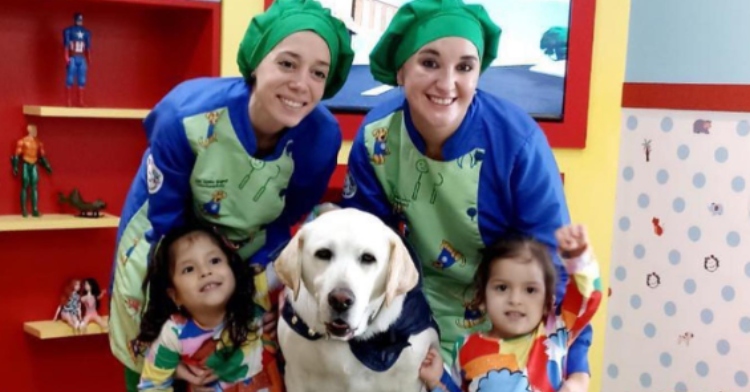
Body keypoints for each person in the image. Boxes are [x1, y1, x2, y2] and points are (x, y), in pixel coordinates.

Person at [341, 0, 593, 388]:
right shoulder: (377, 137)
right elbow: (361, 247)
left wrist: (573, 362)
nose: (447, 83)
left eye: (465, 67)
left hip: (506, 334)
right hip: (413, 321)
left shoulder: (517, 144)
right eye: (429, 63)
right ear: (401, 68)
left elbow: (551, 269)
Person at [107, 0, 354, 390]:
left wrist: (246, 297)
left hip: (245, 253)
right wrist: (173, 350)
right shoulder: (185, 116)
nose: (300, 83)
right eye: (287, 63)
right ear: (256, 61)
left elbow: (284, 224)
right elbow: (168, 224)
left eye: (318, 73)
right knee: (149, 355)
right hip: (164, 242)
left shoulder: (321, 139)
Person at [419, 224, 602, 392]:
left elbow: (588, 299)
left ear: (547, 302)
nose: (515, 299)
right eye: (502, 287)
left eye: (530, 290)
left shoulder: (554, 332)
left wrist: (578, 258)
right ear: (482, 297)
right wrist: (437, 380)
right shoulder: (466, 348)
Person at [137, 224, 282, 392]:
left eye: (215, 260)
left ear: (232, 268)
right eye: (189, 269)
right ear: (174, 294)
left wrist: (286, 308)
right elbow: (151, 386)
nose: (205, 271)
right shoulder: (173, 334)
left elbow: (300, 263)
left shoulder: (256, 293)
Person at [11, 124, 53, 217]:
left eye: (36, 130)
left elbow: (42, 156)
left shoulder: (38, 142)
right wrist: (15, 166)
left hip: (34, 164)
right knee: (25, 185)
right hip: (26, 163)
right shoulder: (22, 141)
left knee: (34, 186)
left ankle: (34, 209)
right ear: (29, 130)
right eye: (34, 130)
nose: (36, 132)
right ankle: (24, 209)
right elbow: (16, 155)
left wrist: (47, 166)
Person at [63, 12, 91, 107]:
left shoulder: (86, 32)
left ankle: (81, 101)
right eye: (78, 20)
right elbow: (66, 46)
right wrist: (66, 57)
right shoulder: (69, 31)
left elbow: (87, 48)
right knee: (70, 79)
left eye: (81, 20)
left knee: (82, 80)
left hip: (81, 57)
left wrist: (88, 58)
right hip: (73, 57)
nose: (80, 21)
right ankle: (68, 101)